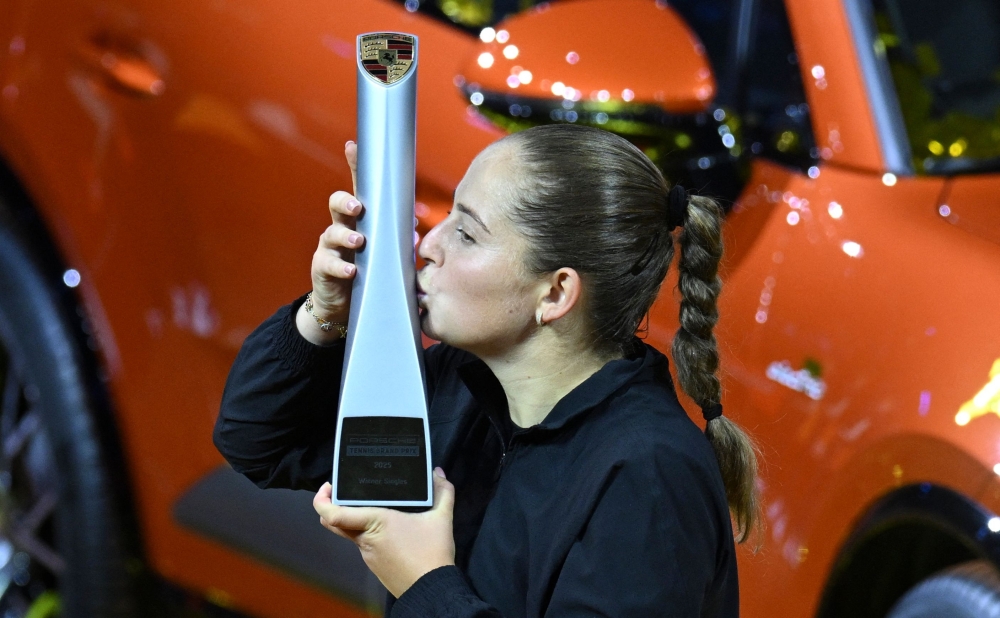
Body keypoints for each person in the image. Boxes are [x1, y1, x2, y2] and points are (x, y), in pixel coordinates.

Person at [214, 124, 760, 617]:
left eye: (467, 234)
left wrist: (426, 583)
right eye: (447, 216)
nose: (428, 245)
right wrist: (324, 313)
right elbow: (259, 441)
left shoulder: (649, 480)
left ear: (555, 292)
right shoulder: (461, 383)